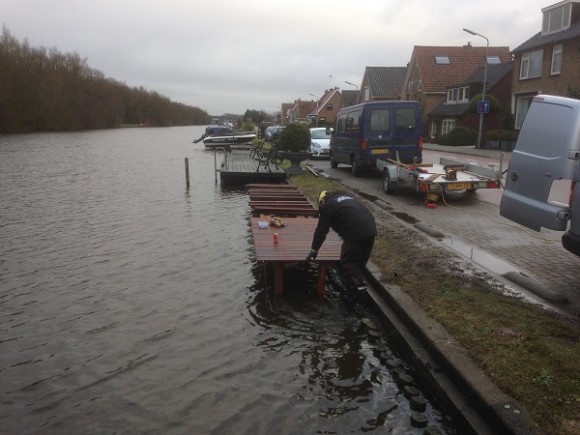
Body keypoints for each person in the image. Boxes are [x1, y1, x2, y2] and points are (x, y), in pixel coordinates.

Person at [306, 191, 377, 290]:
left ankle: (356, 291)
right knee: (359, 264)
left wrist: (314, 249)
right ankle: (359, 288)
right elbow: (348, 215)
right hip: (371, 230)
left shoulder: (327, 205)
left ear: (322, 201)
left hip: (354, 232)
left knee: (348, 263)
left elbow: (321, 230)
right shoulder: (347, 199)